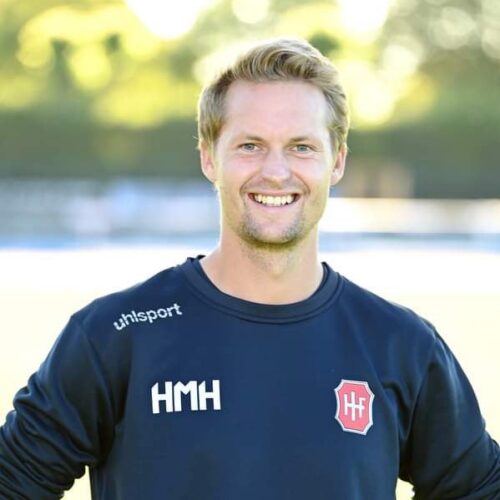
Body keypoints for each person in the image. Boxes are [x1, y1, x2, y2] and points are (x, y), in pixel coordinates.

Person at [0, 38, 499, 500]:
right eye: (250, 145)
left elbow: (479, 487)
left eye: (302, 147)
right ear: (208, 158)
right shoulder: (116, 336)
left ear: (337, 162)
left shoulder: (401, 344)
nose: (276, 172)